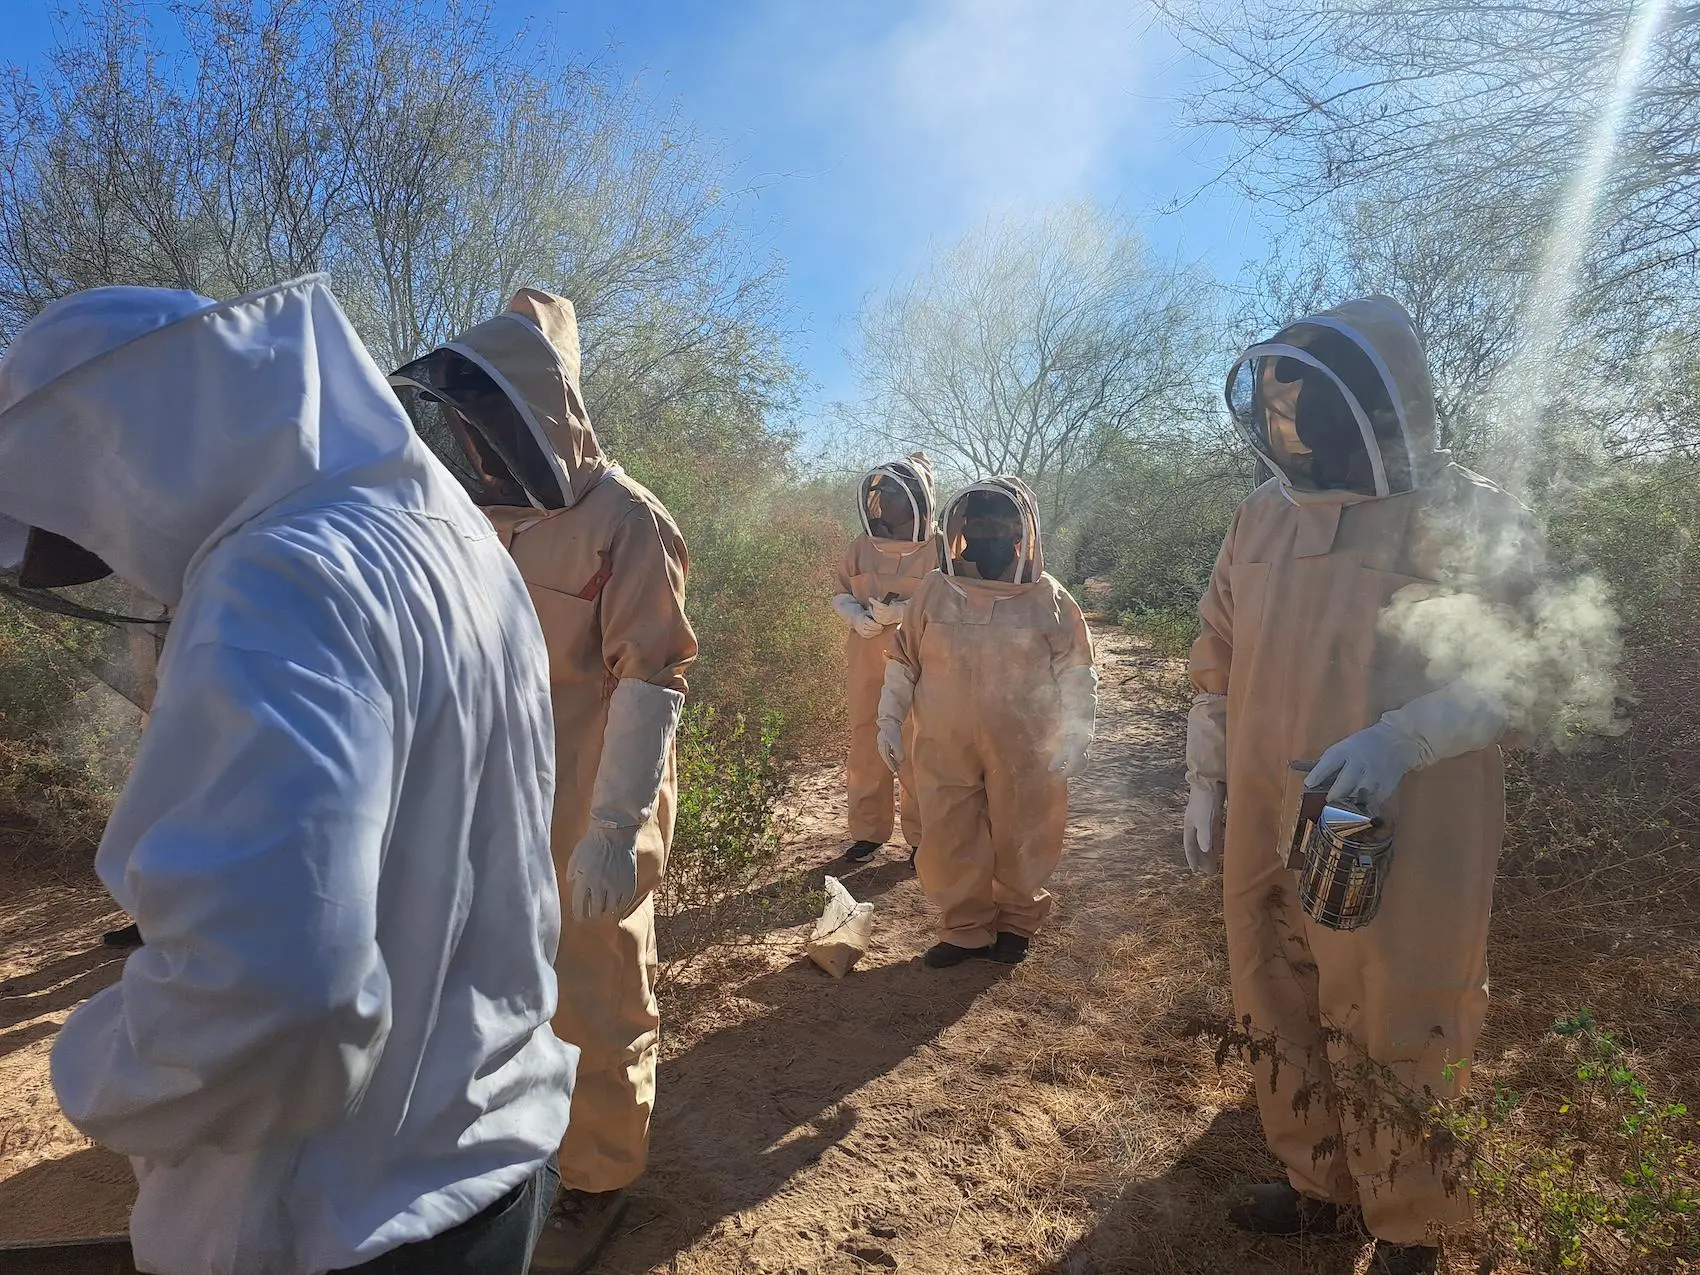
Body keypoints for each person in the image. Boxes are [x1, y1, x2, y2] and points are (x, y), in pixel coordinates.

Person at [0, 277, 574, 1275]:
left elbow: (281, 995)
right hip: (488, 1169)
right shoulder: (447, 542)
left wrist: (95, 1066)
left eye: (78, 516)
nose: (100, 557)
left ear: (123, 446)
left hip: (345, 1223)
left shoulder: (276, 578)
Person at [1186, 297, 1534, 1275]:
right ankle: (1319, 1186)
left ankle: (1411, 1226)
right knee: (1272, 985)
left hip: (1411, 813)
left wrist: (1401, 738)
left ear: (1377, 406)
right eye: (1279, 408)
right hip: (1264, 805)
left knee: (1400, 1007)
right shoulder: (1259, 516)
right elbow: (1214, 651)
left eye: (1310, 410)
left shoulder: (1467, 517)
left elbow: (1521, 669)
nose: (1289, 427)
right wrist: (1203, 776)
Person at [391, 290, 697, 1275]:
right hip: (493, 792)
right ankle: (518, 1149)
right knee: (493, 971)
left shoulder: (626, 520)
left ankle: (599, 1174)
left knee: (597, 979)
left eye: (489, 419)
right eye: (463, 422)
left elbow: (649, 678)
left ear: (541, 414)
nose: (475, 444)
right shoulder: (471, 521)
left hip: (592, 794)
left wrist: (611, 827)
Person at [877, 477, 1097, 969]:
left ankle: (1016, 922)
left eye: (1000, 519)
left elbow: (1076, 669)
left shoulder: (1049, 597)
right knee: (948, 828)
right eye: (979, 519)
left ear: (1023, 530)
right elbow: (903, 660)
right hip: (943, 741)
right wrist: (889, 719)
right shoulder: (935, 589)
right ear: (960, 526)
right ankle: (964, 928)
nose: (987, 529)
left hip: (1024, 742)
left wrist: (1078, 730)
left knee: (1022, 827)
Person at [829, 455, 939, 864]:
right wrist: (854, 615)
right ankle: (868, 831)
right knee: (864, 739)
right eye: (882, 492)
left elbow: (952, 603)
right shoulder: (862, 545)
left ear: (919, 498)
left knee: (917, 740)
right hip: (865, 658)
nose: (885, 500)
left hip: (921, 662)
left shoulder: (941, 547)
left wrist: (905, 611)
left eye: (893, 492)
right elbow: (840, 591)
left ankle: (922, 836)